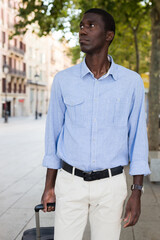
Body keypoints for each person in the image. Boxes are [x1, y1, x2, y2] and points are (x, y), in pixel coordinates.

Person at [41, 8, 151, 240]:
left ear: (108, 35)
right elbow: (53, 136)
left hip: (111, 186)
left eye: (91, 26)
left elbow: (138, 139)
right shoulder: (63, 80)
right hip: (70, 183)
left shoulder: (131, 82)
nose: (83, 31)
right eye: (81, 26)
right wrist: (49, 187)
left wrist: (137, 192)